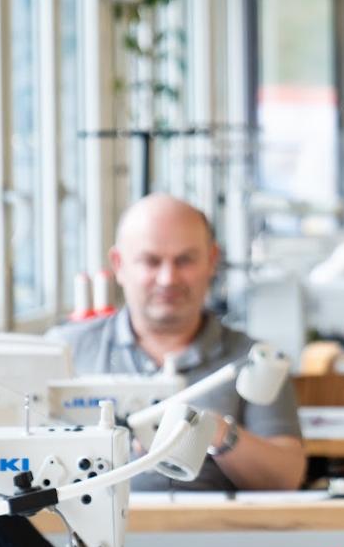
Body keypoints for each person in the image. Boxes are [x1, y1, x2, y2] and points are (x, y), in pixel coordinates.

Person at [49, 193, 307, 493]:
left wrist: (216, 432)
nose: (168, 278)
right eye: (151, 261)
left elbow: (287, 477)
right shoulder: (64, 351)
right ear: (119, 265)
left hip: (209, 533)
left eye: (185, 260)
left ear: (212, 261)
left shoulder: (253, 360)